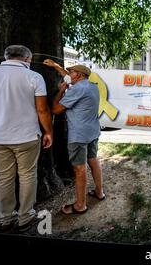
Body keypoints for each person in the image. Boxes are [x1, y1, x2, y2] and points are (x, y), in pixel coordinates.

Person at [0, 45, 53, 232]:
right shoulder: (34, 77)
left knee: (4, 178)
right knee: (27, 176)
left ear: (7, 57)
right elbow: (42, 109)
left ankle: (6, 218)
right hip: (27, 137)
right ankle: (25, 217)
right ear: (27, 59)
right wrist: (49, 132)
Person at [43, 59, 105, 215]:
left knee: (79, 168)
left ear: (78, 75)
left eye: (71, 72)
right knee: (93, 159)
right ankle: (99, 192)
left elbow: (56, 109)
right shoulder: (91, 86)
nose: (68, 75)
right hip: (92, 131)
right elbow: (68, 78)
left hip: (79, 135)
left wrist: (62, 90)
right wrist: (57, 67)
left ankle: (80, 205)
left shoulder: (76, 90)